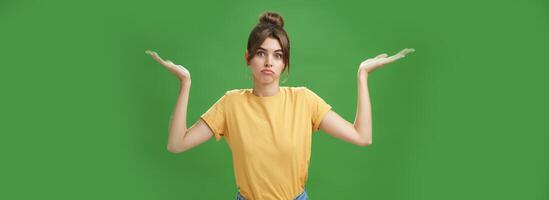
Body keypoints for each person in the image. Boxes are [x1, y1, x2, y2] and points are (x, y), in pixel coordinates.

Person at [146, 11, 414, 200]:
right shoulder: (231, 104)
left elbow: (362, 136)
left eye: (277, 55)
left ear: (285, 62)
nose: (269, 62)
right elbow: (176, 144)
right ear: (248, 58)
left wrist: (362, 74)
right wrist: (185, 83)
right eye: (261, 53)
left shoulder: (304, 100)